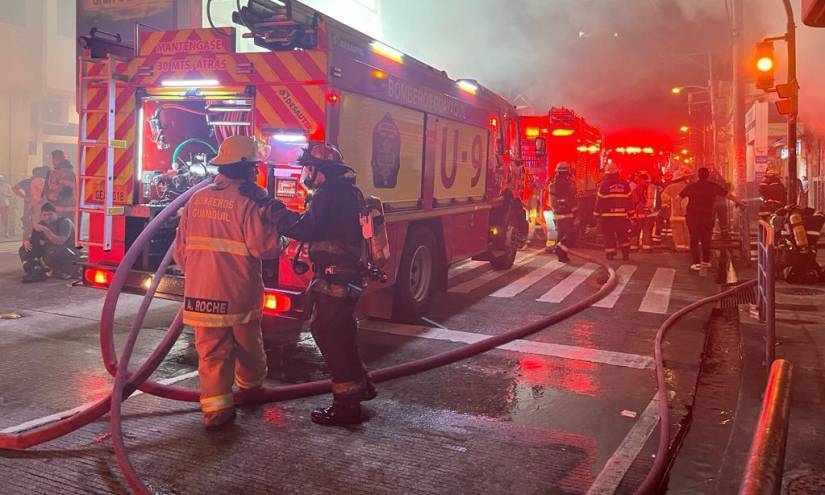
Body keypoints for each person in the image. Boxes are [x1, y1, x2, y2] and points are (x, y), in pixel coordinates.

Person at [172, 135, 290, 430]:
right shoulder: (250, 201)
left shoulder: (196, 200)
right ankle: (251, 390)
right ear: (250, 169)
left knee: (211, 353)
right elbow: (263, 248)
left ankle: (215, 412)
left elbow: (180, 253)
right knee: (247, 344)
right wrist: (284, 239)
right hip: (237, 292)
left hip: (201, 293)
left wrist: (200, 275)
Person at [259, 143, 376, 426]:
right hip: (344, 276)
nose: (304, 173)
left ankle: (346, 407)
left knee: (330, 335)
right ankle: (361, 387)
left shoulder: (328, 195)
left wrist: (274, 210)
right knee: (342, 333)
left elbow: (305, 228)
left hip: (335, 278)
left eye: (308, 167)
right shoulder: (347, 192)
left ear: (320, 171)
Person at [679, 167, 744, 270]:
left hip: (692, 216)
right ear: (708, 175)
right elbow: (728, 195)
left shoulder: (691, 186)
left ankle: (696, 263)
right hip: (707, 217)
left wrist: (682, 211)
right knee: (706, 238)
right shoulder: (713, 186)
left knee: (694, 238)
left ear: (698, 175)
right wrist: (739, 202)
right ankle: (705, 261)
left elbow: (679, 198)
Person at [18, 202, 78, 282]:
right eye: (45, 215)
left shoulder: (64, 222)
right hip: (51, 249)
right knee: (24, 249)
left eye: (50, 214)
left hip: (70, 250)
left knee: (51, 252)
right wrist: (27, 242)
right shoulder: (42, 224)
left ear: (56, 214)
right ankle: (34, 269)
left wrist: (45, 230)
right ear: (41, 215)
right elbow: (34, 241)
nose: (47, 217)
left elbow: (60, 241)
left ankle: (59, 270)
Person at [594, 162, 632, 260]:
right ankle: (625, 254)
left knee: (608, 235)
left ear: (607, 173)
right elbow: (629, 200)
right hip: (622, 216)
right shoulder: (625, 183)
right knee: (623, 235)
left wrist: (596, 214)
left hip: (608, 217)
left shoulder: (604, 185)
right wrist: (631, 213)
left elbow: (600, 201)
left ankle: (610, 254)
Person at [548, 162, 577, 262]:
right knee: (571, 234)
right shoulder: (567, 184)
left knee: (561, 234)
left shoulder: (553, 183)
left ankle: (562, 255)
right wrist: (575, 210)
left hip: (558, 214)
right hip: (566, 214)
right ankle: (559, 249)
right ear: (566, 172)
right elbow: (572, 198)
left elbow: (552, 200)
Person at [661, 169, 692, 252]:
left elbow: (663, 197)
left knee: (677, 231)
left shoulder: (671, 187)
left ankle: (680, 247)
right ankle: (688, 246)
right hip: (688, 214)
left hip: (675, 214)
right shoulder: (689, 186)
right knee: (687, 231)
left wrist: (668, 203)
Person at [13, 166, 48, 240]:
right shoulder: (29, 181)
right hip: (32, 207)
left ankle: (30, 245)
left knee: (30, 227)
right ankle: (26, 246)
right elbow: (14, 188)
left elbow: (15, 188)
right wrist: (24, 197)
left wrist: (24, 197)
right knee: (28, 227)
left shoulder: (41, 181)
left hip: (37, 207)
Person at [631, 172, 659, 252]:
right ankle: (647, 247)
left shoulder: (637, 189)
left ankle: (633, 247)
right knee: (647, 231)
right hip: (650, 213)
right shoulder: (654, 188)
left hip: (639, 213)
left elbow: (634, 200)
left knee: (635, 230)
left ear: (641, 180)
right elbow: (658, 201)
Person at [44, 150, 75, 218]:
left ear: (57, 159)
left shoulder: (65, 172)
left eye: (52, 159)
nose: (52, 162)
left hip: (63, 210)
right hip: (59, 209)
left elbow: (67, 190)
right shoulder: (57, 171)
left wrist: (52, 196)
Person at [708, 167, 731, 240]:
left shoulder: (709, 184)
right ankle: (725, 236)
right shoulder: (720, 183)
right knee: (723, 221)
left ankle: (709, 236)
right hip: (721, 204)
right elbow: (726, 186)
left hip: (712, 205)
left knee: (711, 221)